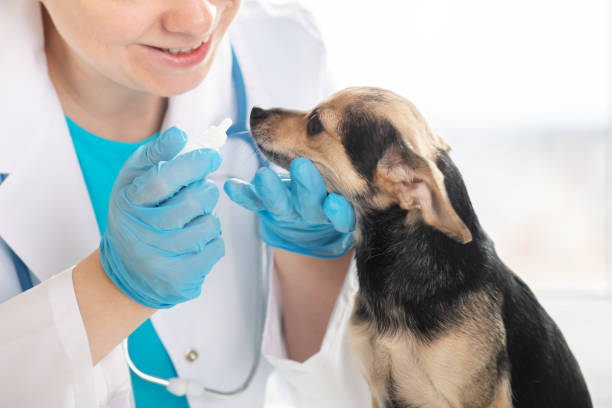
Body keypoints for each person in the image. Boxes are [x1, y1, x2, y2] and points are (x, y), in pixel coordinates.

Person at [0, 0, 370, 407]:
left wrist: (313, 259)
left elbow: (343, 390)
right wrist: (109, 290)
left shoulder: (281, 49)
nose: (199, 20)